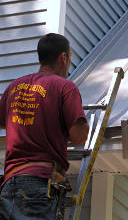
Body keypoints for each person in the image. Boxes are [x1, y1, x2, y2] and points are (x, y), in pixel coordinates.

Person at [0, 33, 89, 219]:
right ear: (63, 57)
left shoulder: (12, 88)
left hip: (9, 186)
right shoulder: (65, 87)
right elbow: (79, 137)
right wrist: (78, 118)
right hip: (39, 187)